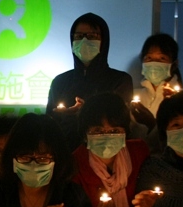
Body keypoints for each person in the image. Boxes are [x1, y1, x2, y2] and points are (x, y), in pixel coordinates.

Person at [46, 13, 134, 151]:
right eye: (79, 36)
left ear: (104, 41)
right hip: (66, 154)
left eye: (92, 36)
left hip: (108, 154)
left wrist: (86, 112)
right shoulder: (60, 81)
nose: (84, 41)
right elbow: (49, 126)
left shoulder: (120, 80)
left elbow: (120, 123)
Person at [133, 33, 183, 117]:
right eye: (149, 58)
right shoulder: (133, 97)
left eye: (162, 58)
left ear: (174, 64)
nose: (154, 63)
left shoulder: (182, 100)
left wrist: (150, 122)